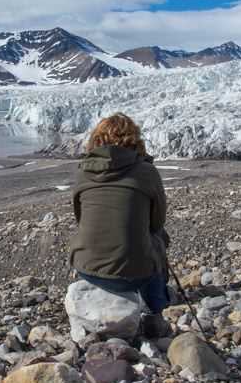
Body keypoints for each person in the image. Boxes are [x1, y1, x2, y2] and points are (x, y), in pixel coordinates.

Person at [70, 112, 171, 325]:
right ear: (133, 139)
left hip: (87, 270)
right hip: (136, 275)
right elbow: (157, 223)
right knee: (159, 237)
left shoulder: (82, 172)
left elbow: (80, 218)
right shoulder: (146, 172)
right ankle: (156, 309)